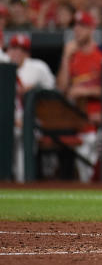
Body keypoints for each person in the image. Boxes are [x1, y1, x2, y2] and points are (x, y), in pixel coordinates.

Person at [56, 10, 102, 181]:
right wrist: (65, 57)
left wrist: (86, 91)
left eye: (83, 26)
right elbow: (61, 88)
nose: (77, 30)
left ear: (91, 29)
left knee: (93, 166)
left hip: (97, 122)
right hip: (76, 122)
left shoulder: (101, 57)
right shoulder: (71, 57)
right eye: (76, 26)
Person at [6, 33, 56, 181]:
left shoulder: (37, 67)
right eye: (14, 48)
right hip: (6, 120)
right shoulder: (3, 65)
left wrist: (34, 89)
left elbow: (53, 93)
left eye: (22, 49)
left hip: (30, 120)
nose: (17, 53)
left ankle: (24, 181)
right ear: (7, 50)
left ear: (28, 53)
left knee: (23, 136)